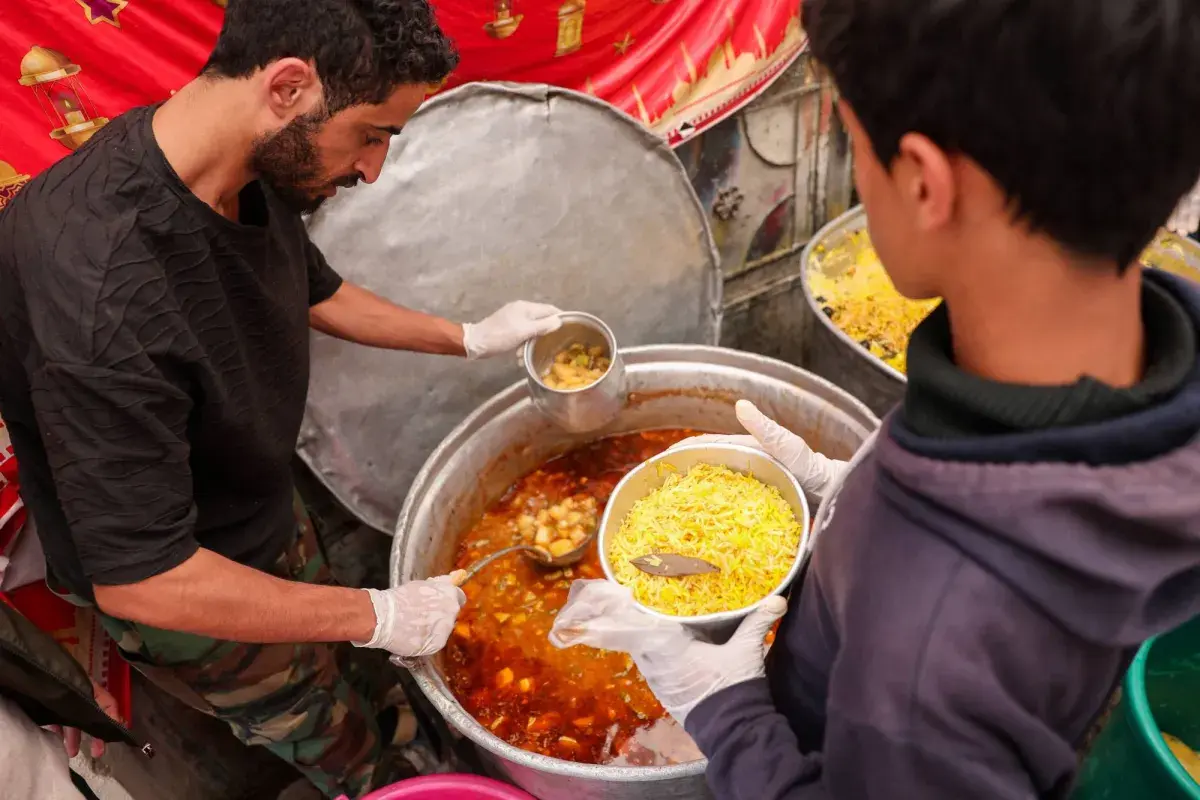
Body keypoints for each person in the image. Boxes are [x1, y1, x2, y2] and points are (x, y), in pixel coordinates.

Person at [550, 1, 1200, 798]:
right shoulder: (1146, 367)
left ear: (924, 182)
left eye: (851, 141)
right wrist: (852, 500)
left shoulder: (924, 643)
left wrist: (726, 711)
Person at [0, 0, 560, 796]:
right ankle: (388, 779)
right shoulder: (99, 286)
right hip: (192, 584)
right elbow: (144, 577)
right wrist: (377, 616)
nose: (373, 170)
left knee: (350, 666)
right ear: (290, 86)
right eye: (373, 134)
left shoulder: (242, 166)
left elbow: (313, 290)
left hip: (259, 505)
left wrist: (468, 335)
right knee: (320, 728)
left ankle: (397, 726)